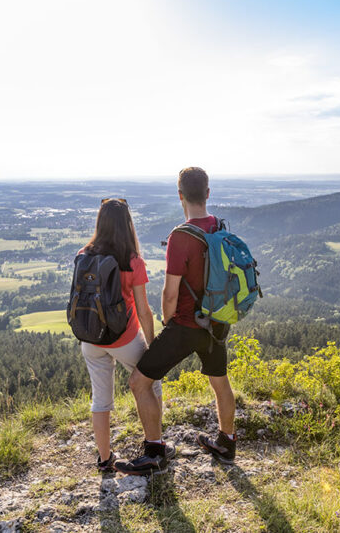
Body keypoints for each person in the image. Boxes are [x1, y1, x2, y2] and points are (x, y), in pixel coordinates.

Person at [116, 167, 236, 476]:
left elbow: (170, 293)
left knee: (139, 381)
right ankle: (227, 441)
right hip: (216, 324)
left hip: (185, 325)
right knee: (220, 382)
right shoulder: (218, 226)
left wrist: (168, 321)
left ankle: (154, 450)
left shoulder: (180, 236)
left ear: (179, 194)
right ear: (207, 193)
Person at [77, 198, 163, 472]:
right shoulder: (132, 260)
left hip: (90, 338)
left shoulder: (84, 254)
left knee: (100, 400)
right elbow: (144, 310)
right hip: (125, 338)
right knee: (151, 383)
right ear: (128, 224)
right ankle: (155, 443)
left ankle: (104, 460)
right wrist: (151, 347)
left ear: (100, 222)